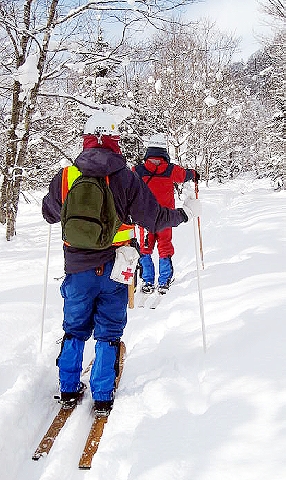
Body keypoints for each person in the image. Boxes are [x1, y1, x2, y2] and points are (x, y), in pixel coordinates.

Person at [42, 112, 199, 416]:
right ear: (115, 140)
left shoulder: (66, 176)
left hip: (76, 269)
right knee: (109, 332)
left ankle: (68, 388)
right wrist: (185, 214)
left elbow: (50, 214)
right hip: (116, 266)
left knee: (74, 329)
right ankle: (102, 394)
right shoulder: (126, 177)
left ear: (86, 140)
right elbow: (154, 218)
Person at [134, 133, 199, 294]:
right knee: (164, 247)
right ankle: (164, 281)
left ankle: (148, 281)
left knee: (145, 248)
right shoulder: (170, 170)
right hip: (166, 218)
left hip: (145, 218)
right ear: (164, 151)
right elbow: (184, 175)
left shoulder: (138, 170)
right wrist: (194, 174)